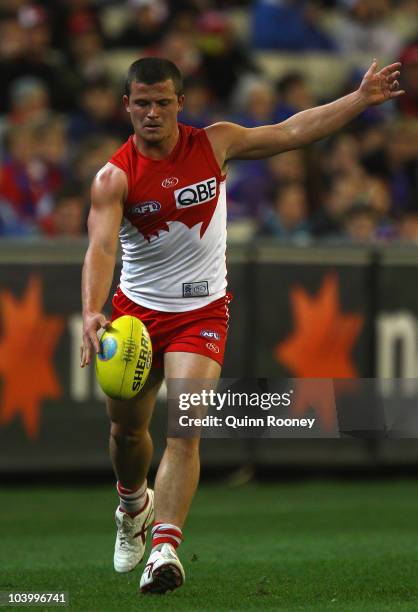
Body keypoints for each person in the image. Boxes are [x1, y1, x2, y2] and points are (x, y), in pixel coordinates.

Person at [80, 56, 403, 594]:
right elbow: (100, 246)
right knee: (126, 432)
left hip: (202, 312)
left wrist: (360, 99)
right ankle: (132, 504)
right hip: (136, 315)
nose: (153, 113)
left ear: (181, 103)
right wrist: (93, 309)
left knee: (185, 429)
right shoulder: (113, 177)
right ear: (126, 106)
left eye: (163, 102)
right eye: (142, 103)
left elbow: (291, 130)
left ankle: (165, 548)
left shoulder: (214, 143)